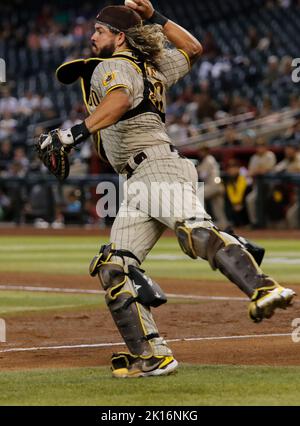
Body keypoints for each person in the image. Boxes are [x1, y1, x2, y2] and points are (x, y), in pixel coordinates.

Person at [39, 1, 295, 378]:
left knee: (194, 231)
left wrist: (72, 133)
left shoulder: (112, 67)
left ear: (119, 36)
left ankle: (263, 287)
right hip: (140, 176)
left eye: (99, 31)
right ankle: (152, 355)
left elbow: (120, 99)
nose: (91, 38)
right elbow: (192, 49)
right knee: (114, 267)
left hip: (155, 167)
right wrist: (156, 17)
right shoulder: (152, 68)